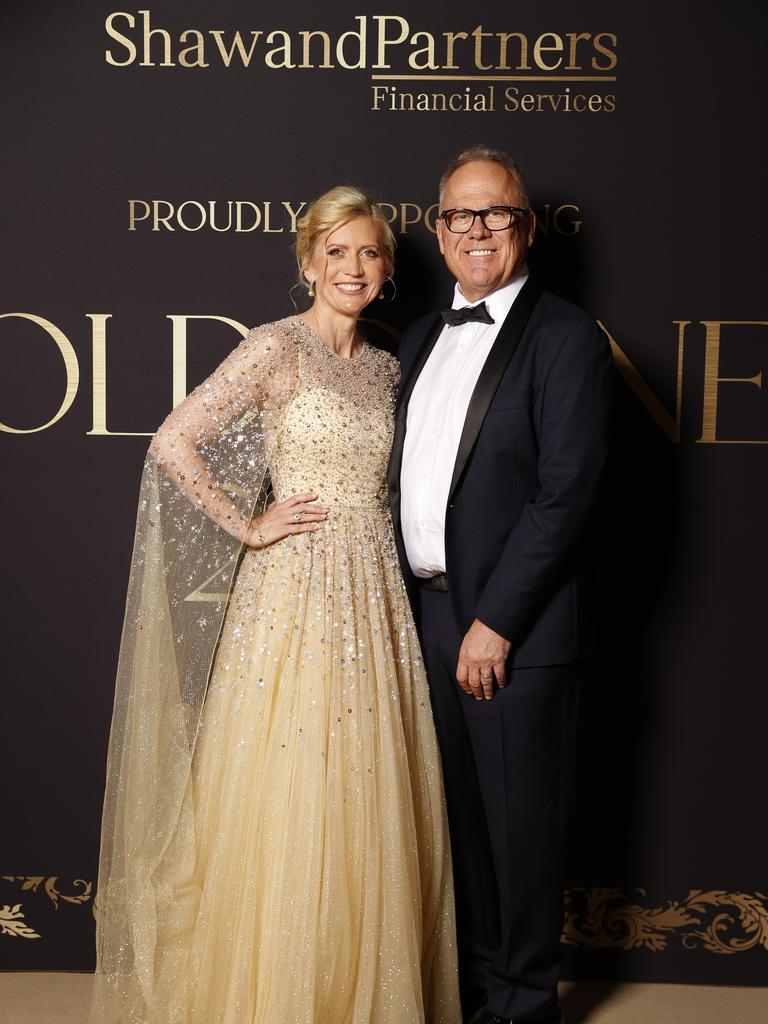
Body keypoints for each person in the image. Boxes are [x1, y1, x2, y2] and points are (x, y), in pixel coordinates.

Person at [91, 185, 461, 1024]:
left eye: (369, 253)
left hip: (372, 589)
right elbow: (173, 439)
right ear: (308, 263)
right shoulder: (273, 349)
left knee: (366, 777)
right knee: (288, 774)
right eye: (337, 252)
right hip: (292, 586)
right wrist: (247, 526)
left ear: (386, 269)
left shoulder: (387, 364)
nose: (354, 268)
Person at [387, 147, 614, 1024]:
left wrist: (496, 621)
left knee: (521, 836)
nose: (476, 230)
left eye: (496, 214)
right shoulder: (418, 335)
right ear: (438, 230)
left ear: (524, 225)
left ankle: (523, 1009)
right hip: (427, 616)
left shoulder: (564, 337)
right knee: (465, 834)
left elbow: (567, 496)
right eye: (458, 216)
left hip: (511, 630)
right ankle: (481, 994)